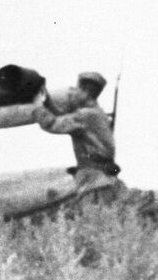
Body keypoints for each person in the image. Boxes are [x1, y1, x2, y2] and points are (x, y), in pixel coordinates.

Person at [34, 71, 158, 219]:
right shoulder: (96, 113)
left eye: (76, 90)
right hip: (101, 178)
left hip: (94, 181)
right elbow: (62, 116)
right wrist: (48, 102)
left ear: (86, 92)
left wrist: (36, 106)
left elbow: (52, 124)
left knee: (98, 221)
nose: (72, 94)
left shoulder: (86, 116)